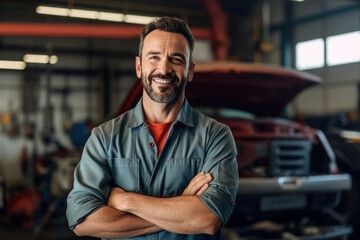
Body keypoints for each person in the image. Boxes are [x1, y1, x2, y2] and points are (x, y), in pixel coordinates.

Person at [66, 16, 239, 240]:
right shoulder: (104, 137)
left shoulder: (215, 136)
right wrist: (182, 207)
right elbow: (83, 221)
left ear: (190, 70)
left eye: (176, 59)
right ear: (139, 66)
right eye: (154, 57)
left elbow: (207, 219)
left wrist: (126, 201)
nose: (164, 68)